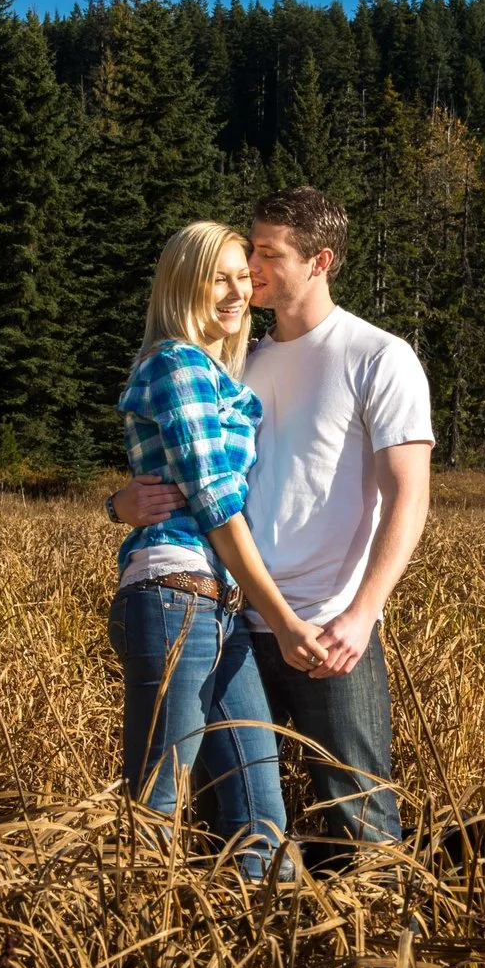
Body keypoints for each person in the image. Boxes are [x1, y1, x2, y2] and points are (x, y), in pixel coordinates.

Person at [108, 189, 433, 865]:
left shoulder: (377, 356)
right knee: (222, 811)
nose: (250, 269)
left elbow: (410, 497)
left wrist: (363, 613)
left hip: (325, 627)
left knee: (358, 818)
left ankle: (368, 958)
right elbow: (188, 472)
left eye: (265, 254)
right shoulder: (236, 362)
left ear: (319, 261)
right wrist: (118, 505)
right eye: (246, 250)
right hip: (230, 616)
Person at [109, 221, 328, 879]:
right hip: (176, 597)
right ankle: (126, 951)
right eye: (219, 279)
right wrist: (284, 619)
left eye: (244, 277)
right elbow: (214, 503)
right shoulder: (175, 364)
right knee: (157, 802)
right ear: (183, 285)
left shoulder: (210, 370)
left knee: (260, 815)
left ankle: (252, 966)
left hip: (216, 609)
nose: (237, 293)